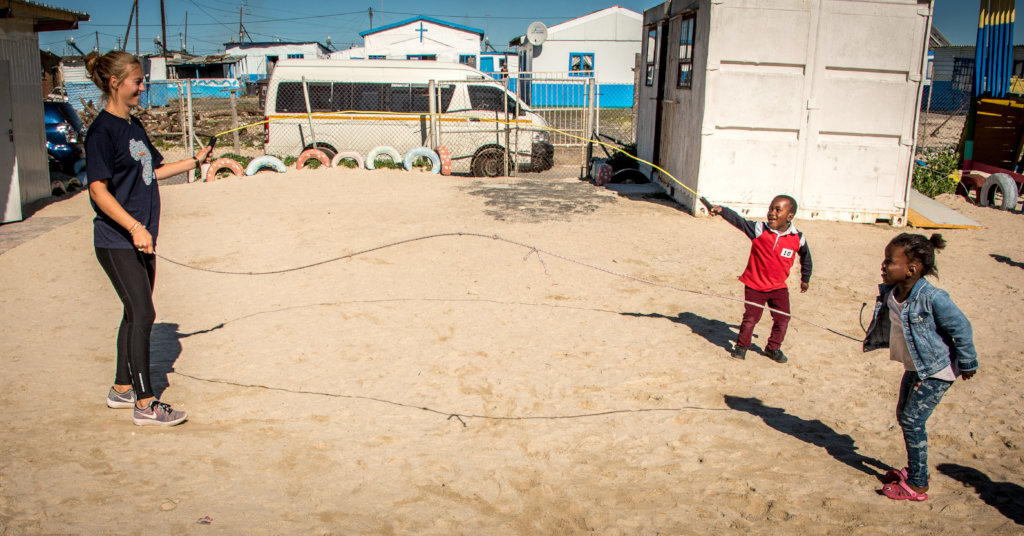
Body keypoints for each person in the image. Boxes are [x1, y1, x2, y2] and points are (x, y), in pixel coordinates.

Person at [84, 50, 212, 426]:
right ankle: (146, 403)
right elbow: (97, 191)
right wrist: (135, 227)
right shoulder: (102, 132)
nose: (143, 87)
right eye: (137, 81)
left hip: (143, 239)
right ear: (115, 83)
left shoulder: (133, 127)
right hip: (117, 239)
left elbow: (153, 170)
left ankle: (122, 388)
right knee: (144, 313)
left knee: (133, 313)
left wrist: (194, 162)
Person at [863, 233, 977, 501]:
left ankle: (917, 483)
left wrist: (968, 361)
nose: (883, 265)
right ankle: (916, 469)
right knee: (904, 415)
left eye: (889, 261)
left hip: (937, 370)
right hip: (915, 366)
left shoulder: (933, 297)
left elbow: (961, 327)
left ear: (911, 269)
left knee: (913, 420)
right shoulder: (892, 292)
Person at [710, 195, 812, 363]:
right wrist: (723, 211)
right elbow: (739, 221)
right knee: (751, 319)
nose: (771, 213)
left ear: (790, 216)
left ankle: (773, 348)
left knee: (783, 319)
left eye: (778, 210)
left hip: (778, 287)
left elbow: (806, 257)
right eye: (771, 209)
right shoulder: (759, 229)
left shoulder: (798, 238)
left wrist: (805, 278)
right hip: (754, 286)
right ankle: (741, 347)